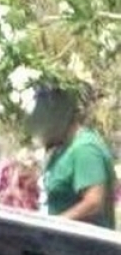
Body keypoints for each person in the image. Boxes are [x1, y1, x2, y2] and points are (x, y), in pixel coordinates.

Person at [26, 85, 116, 229]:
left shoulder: (85, 149)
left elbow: (93, 202)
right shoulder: (62, 148)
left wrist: (54, 224)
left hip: (85, 246)